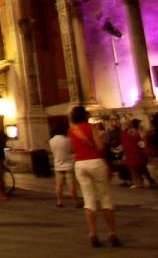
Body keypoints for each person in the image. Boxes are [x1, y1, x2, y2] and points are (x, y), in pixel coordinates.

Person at [69, 105, 119, 248]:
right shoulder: (91, 128)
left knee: (88, 200)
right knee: (105, 198)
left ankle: (93, 233)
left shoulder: (72, 130)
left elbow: (74, 148)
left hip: (80, 164)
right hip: (95, 162)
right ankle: (112, 232)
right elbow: (100, 146)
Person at [49, 120, 79, 208]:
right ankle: (75, 201)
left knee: (59, 184)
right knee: (71, 184)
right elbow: (73, 150)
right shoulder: (68, 140)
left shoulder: (51, 141)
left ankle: (59, 201)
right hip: (69, 164)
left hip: (58, 164)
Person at [121, 119, 152, 188]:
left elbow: (125, 144)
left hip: (132, 152)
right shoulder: (134, 132)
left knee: (134, 168)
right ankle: (144, 182)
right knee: (139, 168)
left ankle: (139, 182)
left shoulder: (127, 133)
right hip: (135, 152)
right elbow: (140, 142)